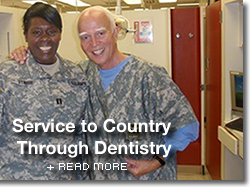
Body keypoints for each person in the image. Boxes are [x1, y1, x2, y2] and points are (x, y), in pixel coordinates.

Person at [10, 6, 199, 180]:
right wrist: (29, 53)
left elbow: (187, 126)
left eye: (100, 33)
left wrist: (156, 161)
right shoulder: (80, 74)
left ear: (115, 33)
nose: (94, 44)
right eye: (85, 37)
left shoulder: (149, 77)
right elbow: (49, 73)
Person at [0, 3, 88, 180]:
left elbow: (81, 136)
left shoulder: (77, 76)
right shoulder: (6, 74)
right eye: (36, 32)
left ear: (60, 35)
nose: (45, 38)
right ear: (26, 36)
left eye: (51, 32)